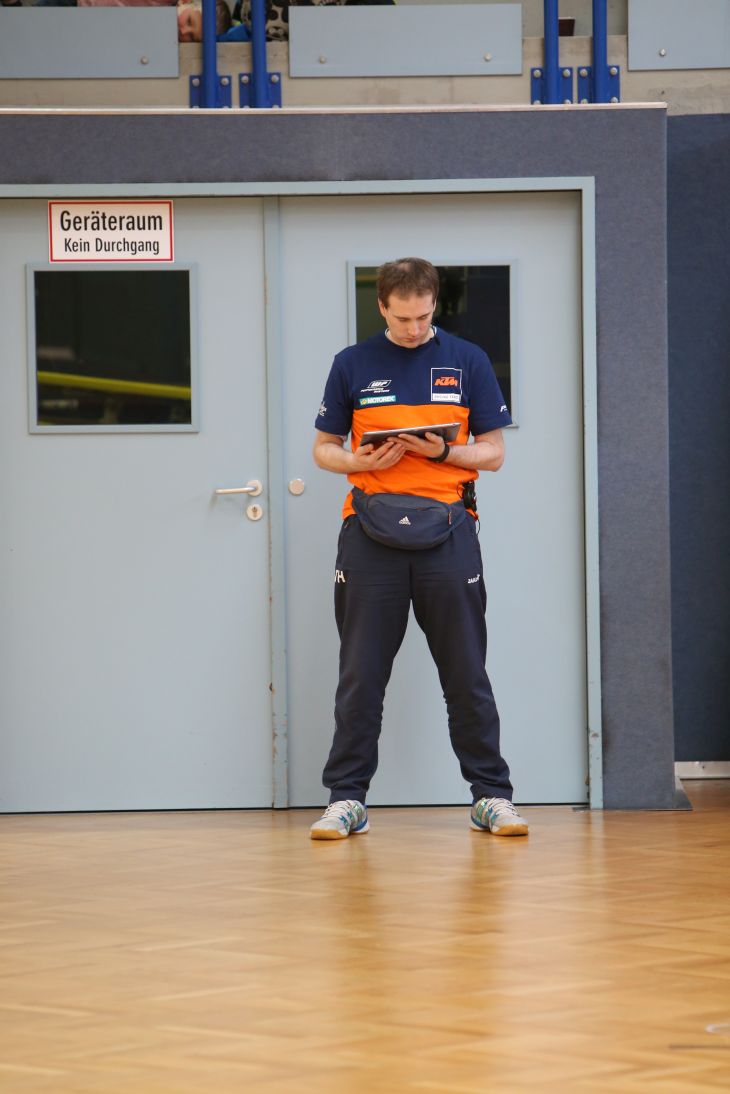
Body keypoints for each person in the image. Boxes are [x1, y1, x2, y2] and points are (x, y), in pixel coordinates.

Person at [310, 257, 529, 840]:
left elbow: (494, 452)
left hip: (449, 532)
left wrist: (443, 453)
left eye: (424, 317)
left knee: (466, 672)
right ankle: (346, 800)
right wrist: (356, 460)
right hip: (369, 534)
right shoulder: (351, 364)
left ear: (435, 305)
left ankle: (492, 797)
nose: (413, 329)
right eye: (402, 318)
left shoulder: (468, 360)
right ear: (381, 306)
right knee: (360, 676)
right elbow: (324, 448)